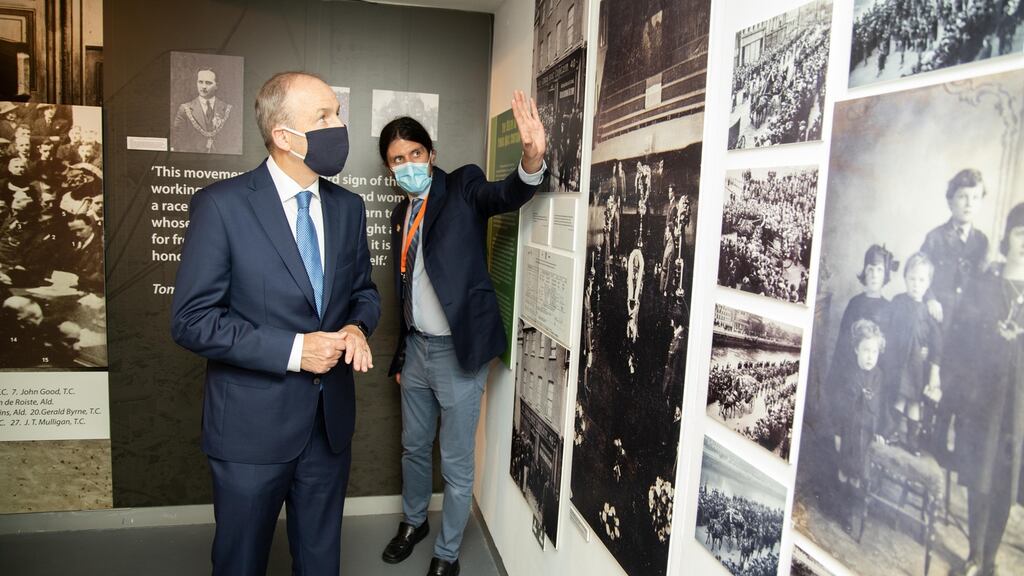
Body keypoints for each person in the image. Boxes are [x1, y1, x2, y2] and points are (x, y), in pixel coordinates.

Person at [171, 71, 381, 576]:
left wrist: (356, 328)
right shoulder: (221, 206)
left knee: (319, 560)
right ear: (285, 136)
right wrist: (294, 350)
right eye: (324, 117)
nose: (339, 126)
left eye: (338, 113)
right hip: (250, 431)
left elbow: (365, 294)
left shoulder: (348, 208)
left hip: (328, 428)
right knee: (241, 562)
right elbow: (192, 321)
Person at [380, 93, 545, 576]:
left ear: (430, 155)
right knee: (413, 446)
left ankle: (447, 554)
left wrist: (531, 159)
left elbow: (505, 195)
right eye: (396, 160)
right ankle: (414, 523)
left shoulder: (462, 187)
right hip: (415, 353)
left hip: (458, 354)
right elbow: (407, 290)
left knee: (454, 464)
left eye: (414, 154)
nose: (407, 164)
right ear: (390, 171)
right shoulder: (400, 214)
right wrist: (401, 355)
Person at [947, 203, 1024, 576]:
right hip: (984, 399)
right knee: (980, 475)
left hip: (1019, 408)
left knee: (1004, 485)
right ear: (1008, 236)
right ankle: (974, 555)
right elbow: (964, 339)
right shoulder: (987, 283)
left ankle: (990, 559)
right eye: (1021, 233)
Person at [881, 252, 942, 455]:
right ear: (905, 278)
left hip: (916, 364)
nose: (916, 284)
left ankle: (912, 441)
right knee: (899, 397)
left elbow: (936, 341)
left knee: (914, 402)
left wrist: (931, 360)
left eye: (921, 280)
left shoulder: (928, 310)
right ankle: (892, 432)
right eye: (912, 278)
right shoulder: (897, 302)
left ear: (928, 283)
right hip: (898, 361)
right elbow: (886, 327)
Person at [171, 68, 237, 154]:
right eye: (200, 82)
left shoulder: (228, 110)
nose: (204, 86)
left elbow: (233, 141)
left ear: (216, 85)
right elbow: (179, 141)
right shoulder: (184, 109)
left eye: (208, 83)